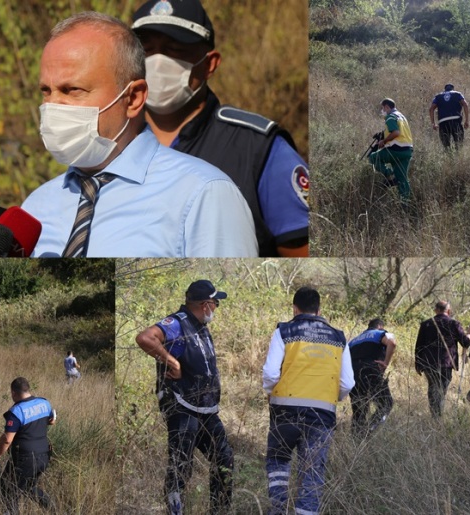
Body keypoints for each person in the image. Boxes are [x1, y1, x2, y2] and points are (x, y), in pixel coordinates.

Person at [21, 12, 257, 258]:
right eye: (46, 91)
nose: (54, 105)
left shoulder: (203, 194)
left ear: (133, 98)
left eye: (73, 90)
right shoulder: (36, 206)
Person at [131, 0, 309, 257]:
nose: (157, 63)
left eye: (174, 50)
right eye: (146, 51)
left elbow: (302, 254)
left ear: (209, 64)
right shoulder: (112, 144)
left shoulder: (258, 147)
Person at [135, 279, 234, 514]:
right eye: (216, 303)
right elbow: (144, 338)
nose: (217, 308)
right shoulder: (177, 323)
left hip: (206, 409)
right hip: (182, 406)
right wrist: (172, 362)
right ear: (206, 304)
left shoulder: (200, 325)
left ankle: (219, 511)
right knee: (181, 464)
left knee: (224, 458)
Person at [262, 287, 354, 515]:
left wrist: (271, 392)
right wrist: (332, 397)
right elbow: (348, 383)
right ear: (319, 309)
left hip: (284, 412)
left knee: (278, 462)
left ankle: (278, 509)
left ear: (295, 309)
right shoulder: (339, 337)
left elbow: (271, 374)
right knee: (312, 474)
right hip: (321, 415)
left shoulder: (284, 331)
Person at [0, 377, 56, 514]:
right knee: (28, 486)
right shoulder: (44, 403)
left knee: (8, 489)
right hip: (44, 456)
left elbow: (7, 440)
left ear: (13, 393)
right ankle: (52, 508)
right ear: (28, 389)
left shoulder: (16, 412)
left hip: (25, 459)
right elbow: (51, 420)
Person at [414, 300, 470, 418]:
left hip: (428, 362)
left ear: (436, 310)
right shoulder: (454, 324)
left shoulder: (426, 324)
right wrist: (469, 336)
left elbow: (419, 345)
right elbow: (465, 343)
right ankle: (437, 416)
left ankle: (435, 415)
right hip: (446, 362)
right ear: (449, 311)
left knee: (433, 387)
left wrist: (418, 363)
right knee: (441, 389)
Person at [347, 318, 396, 435]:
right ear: (380, 326)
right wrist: (385, 362)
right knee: (386, 403)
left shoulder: (353, 341)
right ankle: (369, 430)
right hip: (370, 370)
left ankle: (356, 441)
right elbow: (392, 343)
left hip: (353, 374)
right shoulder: (380, 333)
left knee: (359, 410)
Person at [368, 98, 414, 201]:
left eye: (382, 108)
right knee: (403, 179)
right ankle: (405, 204)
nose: (382, 111)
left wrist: (383, 142)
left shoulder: (390, 117)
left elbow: (396, 133)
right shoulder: (402, 117)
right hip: (407, 151)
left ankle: (390, 173)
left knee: (373, 157)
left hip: (395, 150)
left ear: (387, 107)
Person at [429, 83, 469, 150]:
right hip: (456, 121)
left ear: (445, 89)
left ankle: (449, 158)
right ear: (453, 88)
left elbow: (431, 109)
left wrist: (433, 123)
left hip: (443, 123)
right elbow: (465, 105)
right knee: (459, 145)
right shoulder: (458, 94)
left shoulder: (438, 96)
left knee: (446, 147)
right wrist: (467, 120)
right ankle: (458, 159)